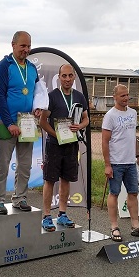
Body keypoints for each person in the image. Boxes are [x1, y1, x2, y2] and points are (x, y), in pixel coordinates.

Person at [0, 31, 44, 214]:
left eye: (28, 46)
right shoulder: (4, 66)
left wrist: (37, 108)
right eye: (22, 46)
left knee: (25, 165)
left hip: (27, 124)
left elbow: (36, 93)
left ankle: (20, 198)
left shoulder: (32, 68)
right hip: (7, 124)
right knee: (1, 164)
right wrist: (9, 122)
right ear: (13, 45)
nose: (26, 50)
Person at [39, 64, 89, 231]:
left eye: (70, 76)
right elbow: (43, 122)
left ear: (74, 77)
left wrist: (79, 126)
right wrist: (56, 136)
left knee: (66, 179)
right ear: (59, 77)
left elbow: (86, 119)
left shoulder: (79, 97)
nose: (67, 79)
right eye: (64, 76)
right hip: (54, 145)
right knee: (50, 180)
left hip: (71, 144)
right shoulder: (51, 96)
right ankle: (46, 216)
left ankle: (62, 214)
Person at [101, 84, 139, 242]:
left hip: (130, 162)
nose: (126, 98)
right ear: (114, 97)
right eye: (122, 96)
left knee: (133, 193)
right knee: (114, 193)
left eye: (127, 95)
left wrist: (137, 156)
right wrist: (107, 164)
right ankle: (114, 226)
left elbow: (133, 135)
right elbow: (104, 141)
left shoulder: (133, 113)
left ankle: (135, 226)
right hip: (116, 162)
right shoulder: (110, 116)